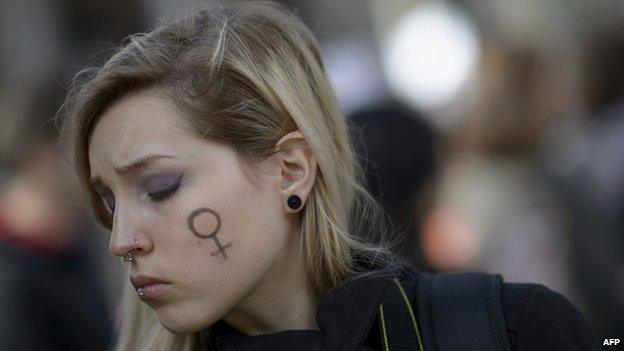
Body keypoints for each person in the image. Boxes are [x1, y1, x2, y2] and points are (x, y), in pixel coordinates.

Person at [60, 3, 596, 350]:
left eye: (159, 188)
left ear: (291, 170)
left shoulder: (512, 330)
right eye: (109, 202)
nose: (121, 240)